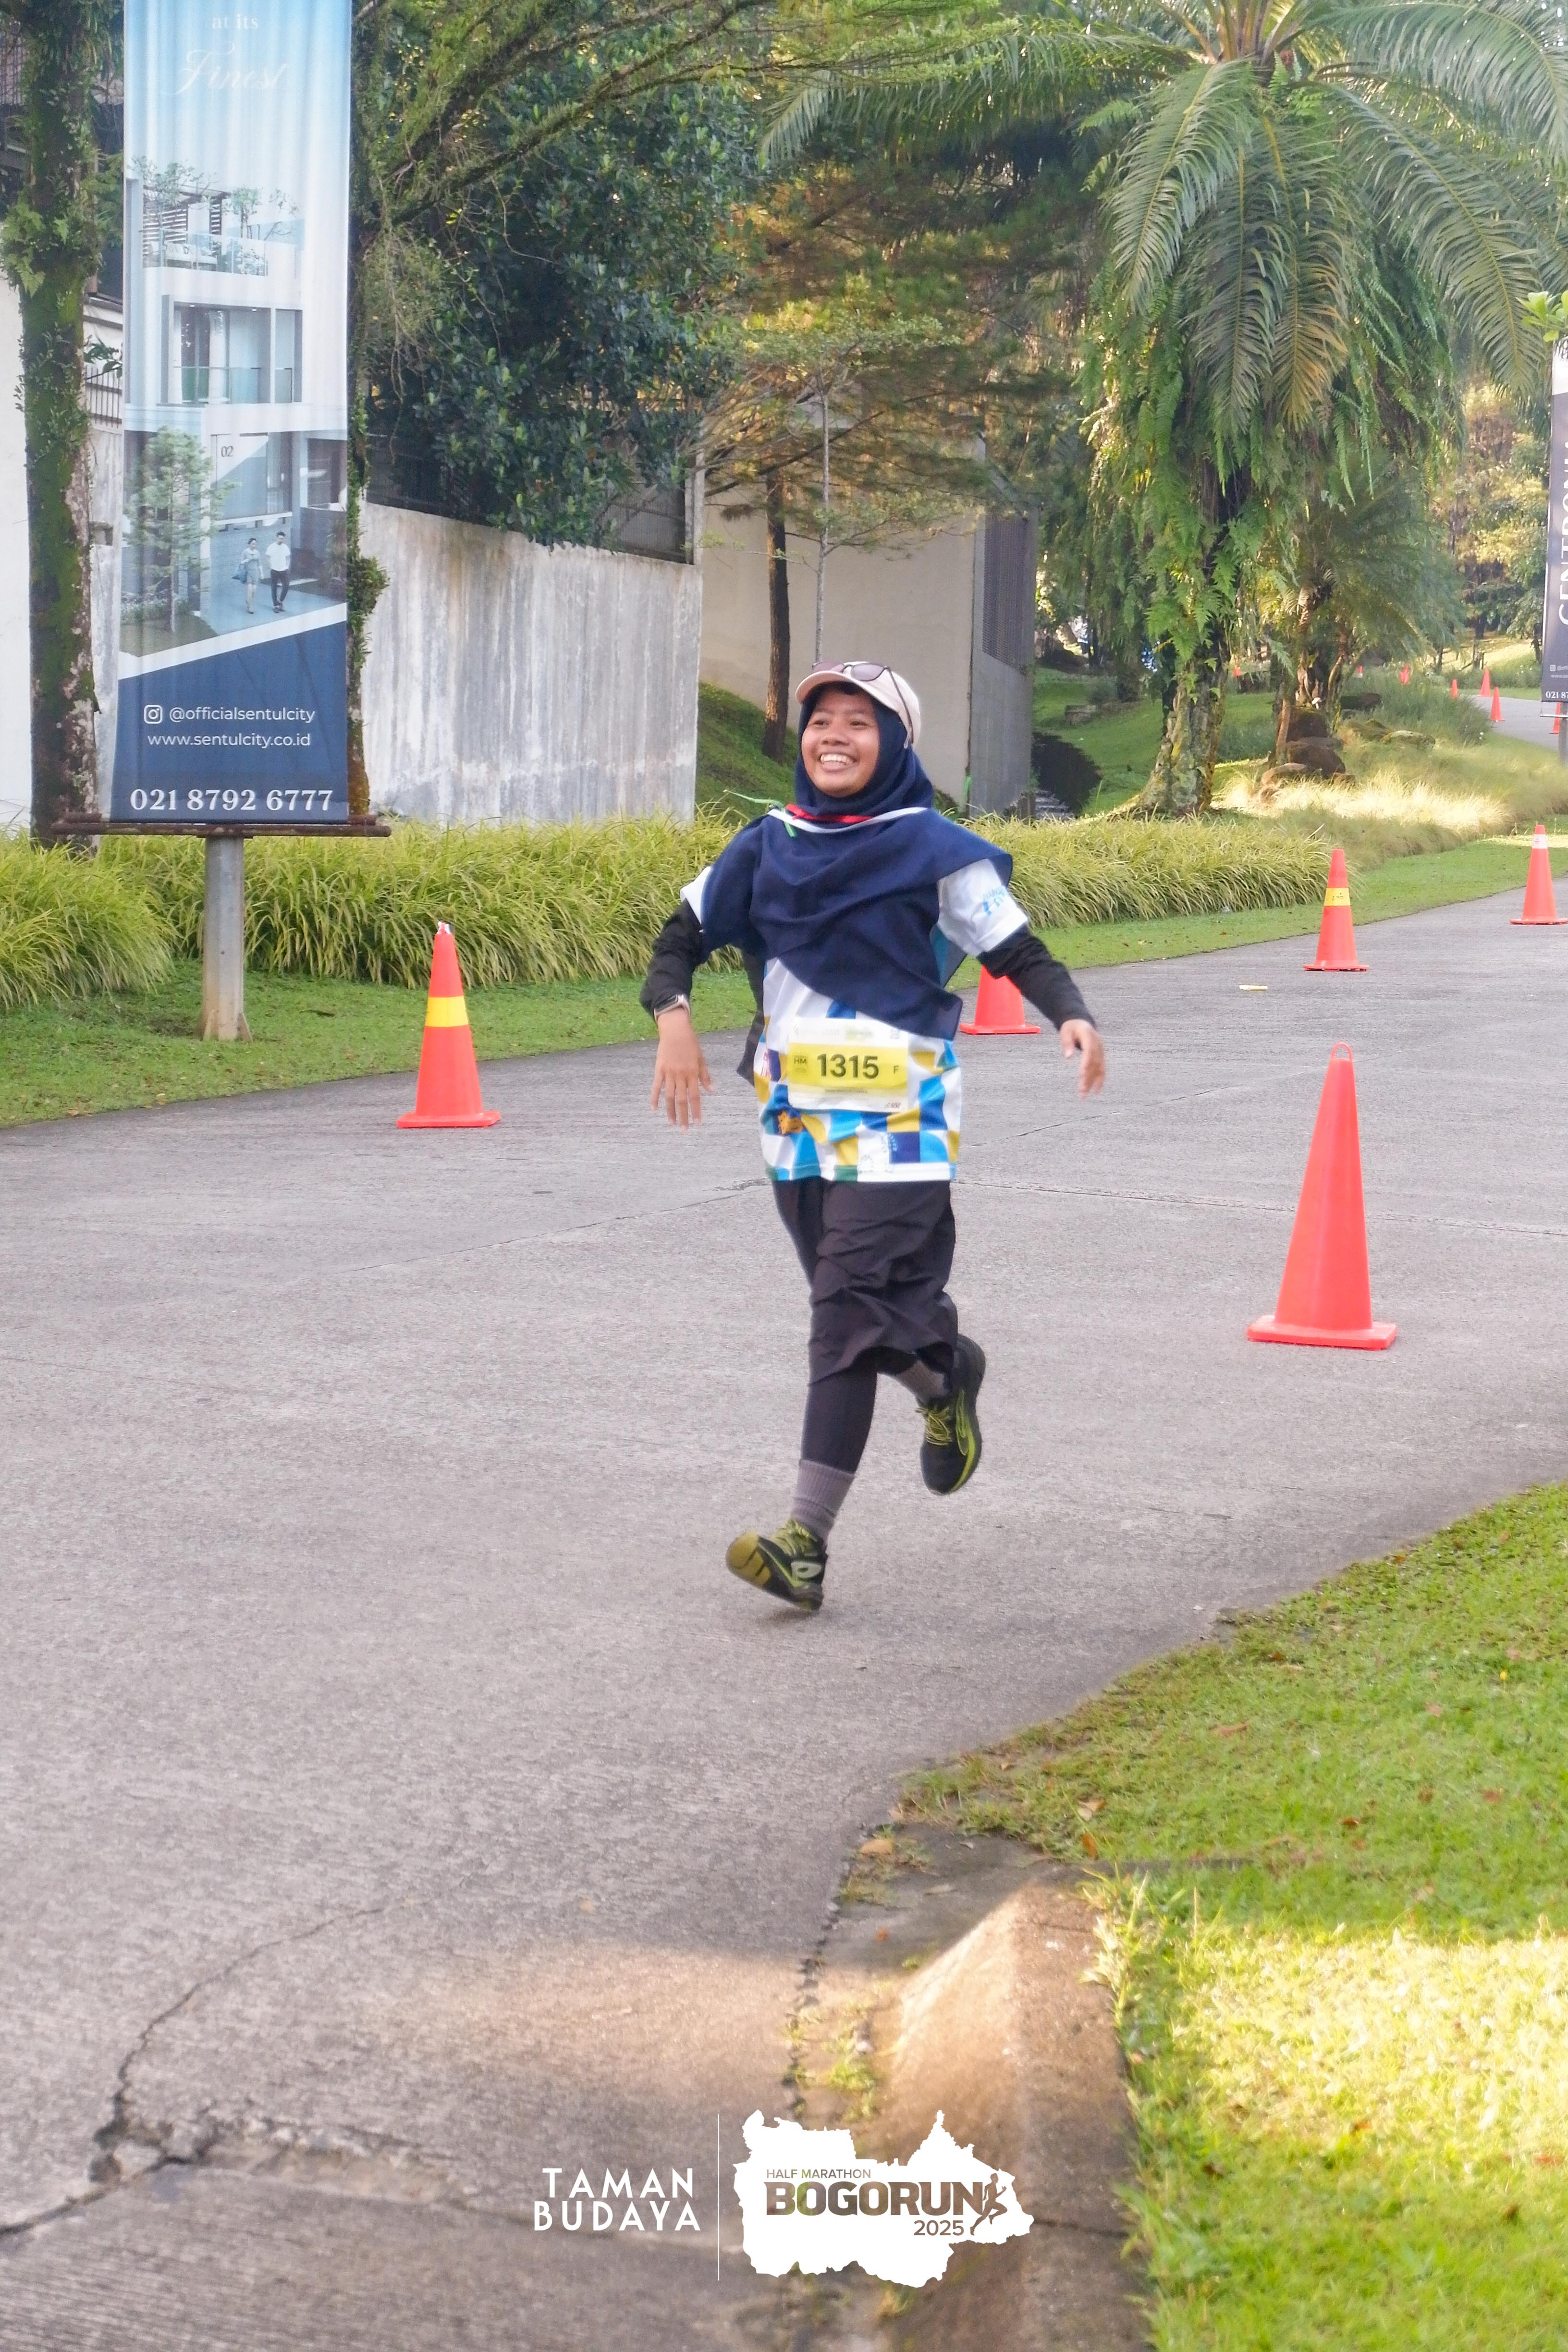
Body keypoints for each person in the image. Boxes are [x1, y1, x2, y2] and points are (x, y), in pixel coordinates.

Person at [641, 659, 1105, 1614]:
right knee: (855, 1313)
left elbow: (1015, 948)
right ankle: (943, 1373)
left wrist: (1071, 1013)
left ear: (894, 742)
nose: (835, 737)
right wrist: (673, 1017)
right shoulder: (766, 846)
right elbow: (678, 937)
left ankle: (804, 1544)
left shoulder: (933, 850)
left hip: (903, 1119)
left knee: (842, 1308)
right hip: (795, 1121)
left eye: (859, 721)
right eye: (821, 720)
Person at [267, 527, 291, 612]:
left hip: (284, 570)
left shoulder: (285, 547)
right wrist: (270, 565)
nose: (281, 540)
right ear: (277, 538)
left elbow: (288, 558)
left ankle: (280, 602)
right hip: (274, 570)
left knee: (286, 587)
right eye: (280, 538)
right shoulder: (271, 547)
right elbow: (268, 557)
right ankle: (276, 606)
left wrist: (287, 566)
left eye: (282, 539)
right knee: (274, 588)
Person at [239, 536, 262, 615]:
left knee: (254, 591)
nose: (254, 545)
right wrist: (245, 561)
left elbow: (259, 564)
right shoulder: (245, 552)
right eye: (252, 544)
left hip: (256, 573)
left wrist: (262, 573)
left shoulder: (257, 553)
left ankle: (248, 601)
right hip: (248, 572)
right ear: (249, 544)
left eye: (255, 544)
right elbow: (241, 563)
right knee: (250, 590)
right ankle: (250, 607)